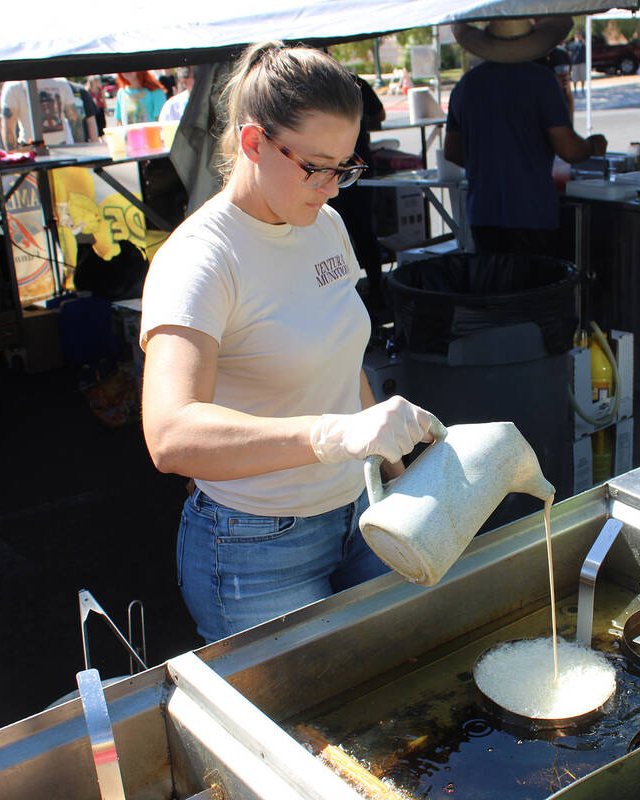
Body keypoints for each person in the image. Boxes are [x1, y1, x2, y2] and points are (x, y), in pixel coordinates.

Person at [139, 43, 439, 643]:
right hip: (256, 543)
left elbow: (340, 353)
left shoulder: (323, 224)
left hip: (360, 507)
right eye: (315, 167)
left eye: (345, 167)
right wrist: (332, 434)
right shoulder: (201, 260)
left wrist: (386, 457)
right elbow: (172, 436)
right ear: (252, 143)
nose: (332, 187)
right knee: (301, 730)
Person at [445, 17, 606, 257]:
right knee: (534, 290)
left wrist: (492, 164)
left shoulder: (466, 85)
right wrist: (593, 145)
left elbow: (453, 151)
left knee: (496, 288)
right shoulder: (542, 82)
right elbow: (569, 150)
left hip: (483, 213)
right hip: (532, 213)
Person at [327, 74, 387, 318]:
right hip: (353, 164)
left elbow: (379, 114)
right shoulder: (354, 81)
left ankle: (366, 292)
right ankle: (373, 289)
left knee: (339, 233)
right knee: (361, 231)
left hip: (349, 167)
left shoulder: (337, 83)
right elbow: (379, 114)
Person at [0, 77, 85, 149]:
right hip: (35, 149)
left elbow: (8, 129)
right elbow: (75, 121)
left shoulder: (13, 86)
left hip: (40, 151)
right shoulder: (60, 82)